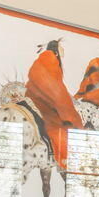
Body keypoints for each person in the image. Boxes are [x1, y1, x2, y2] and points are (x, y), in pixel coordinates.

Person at [25, 38, 83, 167]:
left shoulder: (44, 60)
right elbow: (54, 89)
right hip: (43, 101)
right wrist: (66, 109)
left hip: (36, 98)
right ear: (56, 50)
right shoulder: (50, 60)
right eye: (61, 47)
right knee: (63, 127)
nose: (63, 50)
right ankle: (67, 160)